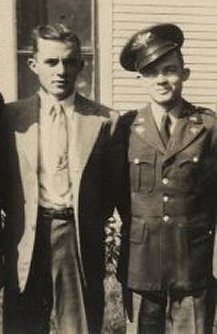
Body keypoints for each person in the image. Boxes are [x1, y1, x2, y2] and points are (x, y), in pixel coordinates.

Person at [0, 23, 122, 334]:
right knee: (22, 326)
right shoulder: (12, 118)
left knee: (78, 326)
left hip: (76, 237)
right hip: (26, 237)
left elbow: (112, 189)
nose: (61, 70)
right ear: (33, 64)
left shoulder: (105, 121)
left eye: (69, 61)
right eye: (51, 61)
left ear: (81, 63)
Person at [118, 23, 217, 334]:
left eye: (169, 70)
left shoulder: (209, 128)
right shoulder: (125, 128)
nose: (160, 79)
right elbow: (115, 194)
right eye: (150, 72)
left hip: (193, 266)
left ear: (184, 74)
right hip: (141, 266)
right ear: (140, 78)